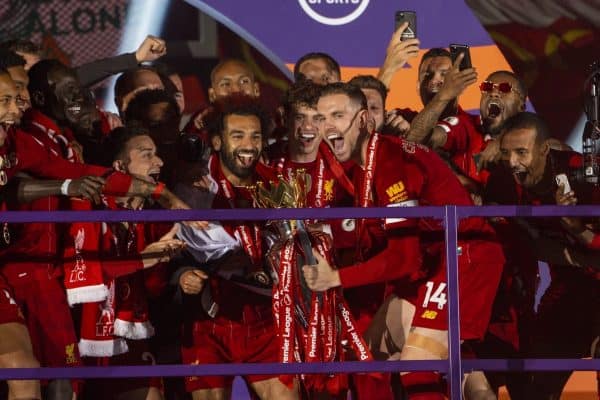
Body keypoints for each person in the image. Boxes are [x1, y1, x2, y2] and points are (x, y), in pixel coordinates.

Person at [305, 82, 504, 399]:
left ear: (364, 121)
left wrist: (336, 278)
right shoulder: (361, 165)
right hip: (433, 263)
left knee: (417, 365)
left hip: (463, 259)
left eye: (337, 115)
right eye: (320, 118)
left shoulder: (390, 161)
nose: (327, 125)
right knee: (373, 350)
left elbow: (403, 258)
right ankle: (477, 386)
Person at [174, 95, 298, 400]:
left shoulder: (276, 187)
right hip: (207, 320)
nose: (249, 144)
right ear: (217, 141)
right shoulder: (194, 187)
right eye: (238, 135)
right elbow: (181, 249)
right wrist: (184, 273)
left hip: (265, 320)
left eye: (256, 136)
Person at [485, 112, 600, 399]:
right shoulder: (504, 182)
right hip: (568, 290)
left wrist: (576, 227)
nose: (513, 163)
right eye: (506, 153)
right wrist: (579, 255)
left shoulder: (583, 172)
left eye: (521, 152)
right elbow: (532, 245)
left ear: (544, 149)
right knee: (535, 379)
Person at [69, 126, 185, 400]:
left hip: (130, 332)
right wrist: (144, 259)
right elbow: (85, 275)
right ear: (120, 165)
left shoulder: (148, 216)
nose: (159, 163)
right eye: (147, 155)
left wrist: (162, 259)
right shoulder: (89, 204)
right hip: (81, 331)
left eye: (157, 155)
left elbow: (153, 289)